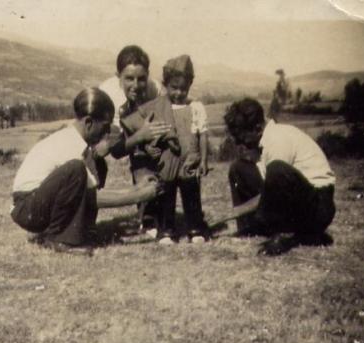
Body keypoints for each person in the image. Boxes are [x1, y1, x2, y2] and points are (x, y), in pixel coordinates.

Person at [11, 87, 160, 255]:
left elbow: (92, 190)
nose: (106, 133)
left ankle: (81, 231)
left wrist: (138, 187)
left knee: (97, 164)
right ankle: (60, 239)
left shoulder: (76, 140)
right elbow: (93, 198)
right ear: (88, 123)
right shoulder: (71, 145)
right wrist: (140, 195)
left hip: (36, 203)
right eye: (105, 126)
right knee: (76, 169)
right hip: (27, 207)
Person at [224, 97, 336, 255]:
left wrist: (231, 213)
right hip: (296, 199)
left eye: (243, 138)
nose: (239, 143)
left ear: (257, 128)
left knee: (277, 169)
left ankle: (283, 235)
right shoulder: (264, 139)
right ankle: (249, 228)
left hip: (318, 206)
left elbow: (272, 190)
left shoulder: (278, 139)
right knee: (239, 168)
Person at [121, 55, 210, 244]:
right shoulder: (159, 107)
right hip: (167, 161)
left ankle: (195, 229)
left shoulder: (195, 107)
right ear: (165, 85)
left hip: (189, 160)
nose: (178, 93)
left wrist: (203, 160)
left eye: (183, 88)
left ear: (190, 85)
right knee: (166, 195)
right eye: (174, 88)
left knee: (191, 193)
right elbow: (146, 131)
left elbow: (202, 135)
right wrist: (149, 147)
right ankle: (167, 230)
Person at [97, 45, 172, 236]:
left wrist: (149, 141)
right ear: (118, 77)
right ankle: (85, 213)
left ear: (148, 75)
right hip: (109, 136)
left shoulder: (156, 90)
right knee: (96, 158)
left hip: (140, 128)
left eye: (141, 79)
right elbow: (114, 149)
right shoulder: (107, 96)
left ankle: (149, 215)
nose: (136, 85)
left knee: (148, 155)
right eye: (129, 78)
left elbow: (161, 124)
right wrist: (141, 136)